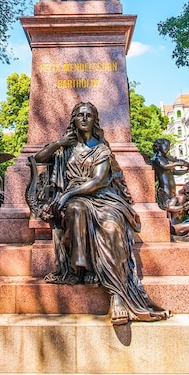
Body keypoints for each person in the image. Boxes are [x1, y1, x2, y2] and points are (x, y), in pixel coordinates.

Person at [34, 102, 170, 325]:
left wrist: (67, 195)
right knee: (76, 210)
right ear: (74, 120)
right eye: (80, 115)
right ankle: (84, 268)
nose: (85, 119)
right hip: (76, 198)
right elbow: (39, 158)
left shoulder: (102, 149)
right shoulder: (65, 148)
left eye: (89, 115)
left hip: (102, 196)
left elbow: (98, 181)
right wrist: (59, 142)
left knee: (111, 225)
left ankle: (116, 295)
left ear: (94, 120)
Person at [151, 138, 189, 210]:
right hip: (165, 189)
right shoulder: (157, 158)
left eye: (169, 146)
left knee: (172, 208)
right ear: (159, 146)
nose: (168, 148)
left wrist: (186, 171)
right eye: (166, 146)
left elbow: (174, 172)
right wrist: (177, 163)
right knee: (168, 208)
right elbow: (165, 166)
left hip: (172, 189)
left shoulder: (165, 158)